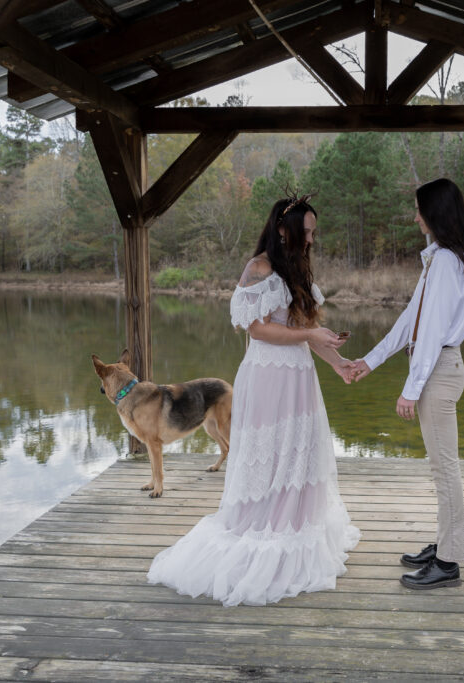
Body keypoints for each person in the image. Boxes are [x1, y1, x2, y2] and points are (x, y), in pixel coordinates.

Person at [147, 196, 361, 606]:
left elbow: (306, 328)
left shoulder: (295, 269)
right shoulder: (258, 268)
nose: (312, 239)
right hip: (268, 377)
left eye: (314, 232)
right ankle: (261, 525)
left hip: (298, 377)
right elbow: (260, 330)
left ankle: (295, 522)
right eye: (307, 231)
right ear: (284, 230)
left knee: (299, 452)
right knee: (270, 452)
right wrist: (310, 336)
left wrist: (337, 361)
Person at [351, 178, 464, 590]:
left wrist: (412, 387)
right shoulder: (441, 258)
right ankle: (446, 545)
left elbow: (431, 332)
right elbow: (411, 319)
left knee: (445, 470)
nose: (414, 216)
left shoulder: (445, 261)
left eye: (418, 209)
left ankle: (448, 563)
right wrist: (370, 361)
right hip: (438, 368)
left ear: (434, 213)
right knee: (441, 467)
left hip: (439, 370)